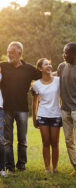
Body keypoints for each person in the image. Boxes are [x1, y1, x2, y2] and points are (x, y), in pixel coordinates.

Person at [0, 41, 41, 173]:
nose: (9, 55)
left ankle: (21, 164)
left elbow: (43, 76)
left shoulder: (28, 69)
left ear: (20, 53)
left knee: (22, 139)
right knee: (7, 140)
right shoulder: (2, 66)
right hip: (6, 108)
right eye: (8, 52)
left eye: (12, 52)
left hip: (22, 108)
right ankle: (9, 166)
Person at [32, 58, 61, 173]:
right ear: (40, 68)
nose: (49, 66)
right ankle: (47, 168)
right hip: (43, 115)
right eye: (46, 65)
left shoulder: (58, 81)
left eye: (49, 64)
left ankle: (54, 168)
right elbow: (35, 102)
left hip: (56, 115)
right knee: (45, 142)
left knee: (55, 142)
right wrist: (34, 118)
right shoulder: (36, 84)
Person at [57, 42, 76, 175]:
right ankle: (75, 167)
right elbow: (55, 80)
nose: (64, 55)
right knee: (68, 140)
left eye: (67, 52)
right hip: (65, 109)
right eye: (64, 52)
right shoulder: (61, 66)